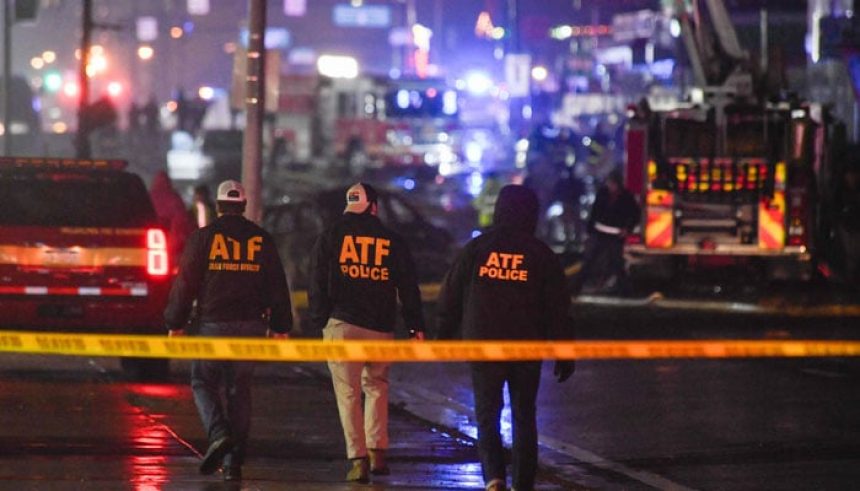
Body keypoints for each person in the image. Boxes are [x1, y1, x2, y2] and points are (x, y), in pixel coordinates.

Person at [436, 184, 575, 491]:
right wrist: (564, 351)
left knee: (487, 414)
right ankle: (523, 483)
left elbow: (451, 295)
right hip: (525, 346)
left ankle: (494, 478)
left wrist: (443, 334)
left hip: (483, 344)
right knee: (524, 415)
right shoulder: (541, 254)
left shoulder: (477, 249)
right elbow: (558, 309)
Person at [163, 180, 293, 482]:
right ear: (243, 206)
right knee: (239, 390)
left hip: (213, 325)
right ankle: (233, 464)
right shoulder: (261, 239)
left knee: (202, 381)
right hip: (251, 325)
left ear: (218, 207)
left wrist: (175, 322)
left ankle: (219, 433)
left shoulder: (203, 238)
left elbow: (185, 285)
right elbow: (277, 285)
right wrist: (281, 326)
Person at [308, 182, 426, 483]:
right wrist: (416, 326)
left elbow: (317, 283)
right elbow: (408, 287)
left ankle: (357, 459)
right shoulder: (392, 240)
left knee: (348, 393)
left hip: (342, 325)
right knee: (377, 387)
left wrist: (320, 320)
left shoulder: (331, 236)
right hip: (380, 327)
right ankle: (378, 454)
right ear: (374, 207)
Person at [571, 169, 640, 295]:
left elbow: (635, 214)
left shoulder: (626, 197)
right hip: (599, 233)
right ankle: (575, 289)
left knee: (617, 264)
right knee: (589, 262)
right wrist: (589, 231)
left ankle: (626, 291)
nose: (610, 186)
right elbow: (595, 212)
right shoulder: (603, 193)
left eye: (612, 183)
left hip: (615, 236)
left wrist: (628, 229)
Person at [149, 170, 195, 260]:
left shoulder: (150, 196)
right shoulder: (174, 196)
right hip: (172, 234)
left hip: (152, 234)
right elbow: (181, 217)